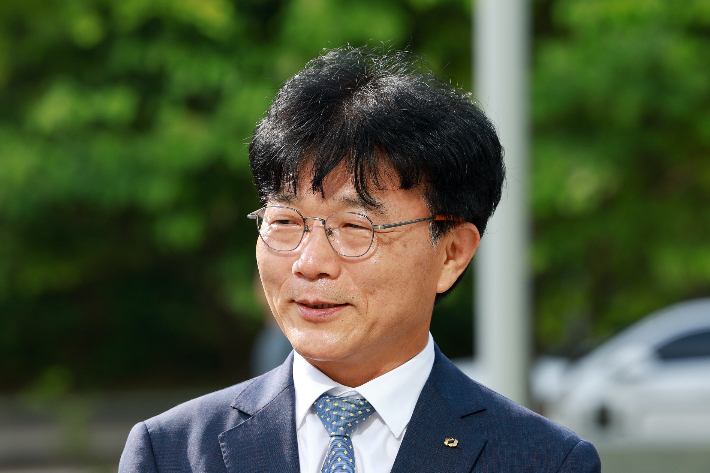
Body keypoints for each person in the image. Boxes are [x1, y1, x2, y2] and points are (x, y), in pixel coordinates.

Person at [119, 46, 601, 472]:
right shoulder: (172, 452)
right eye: (285, 220)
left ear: (452, 253)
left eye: (354, 227)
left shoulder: (543, 460)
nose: (309, 262)